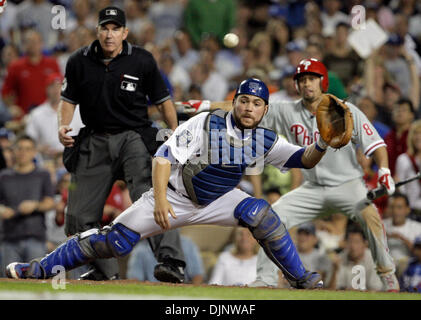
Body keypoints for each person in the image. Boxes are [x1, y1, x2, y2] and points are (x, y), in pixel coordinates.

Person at [6, 78, 328, 290]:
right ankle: (37, 270)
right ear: (235, 102)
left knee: (262, 214)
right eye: (243, 100)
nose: (249, 108)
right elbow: (163, 159)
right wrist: (160, 201)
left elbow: (303, 159)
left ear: (265, 109)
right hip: (173, 196)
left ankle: (300, 279)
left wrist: (324, 143)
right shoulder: (206, 121)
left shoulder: (264, 138)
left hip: (219, 199)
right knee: (113, 242)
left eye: (256, 104)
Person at [188, 58, 400, 291]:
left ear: (323, 82)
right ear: (297, 85)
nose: (307, 84)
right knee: (270, 216)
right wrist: (204, 105)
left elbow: (376, 144)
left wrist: (384, 169)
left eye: (312, 79)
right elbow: (242, 107)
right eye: (302, 79)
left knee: (371, 217)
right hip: (312, 188)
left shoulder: (344, 110)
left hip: (347, 185)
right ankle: (266, 279)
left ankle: (388, 275)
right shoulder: (287, 110)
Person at [54, 6, 186, 282]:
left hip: (133, 137)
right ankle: (102, 270)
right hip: (94, 137)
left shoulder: (142, 60)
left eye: (115, 28)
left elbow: (163, 101)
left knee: (152, 197)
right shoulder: (79, 60)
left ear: (125, 33)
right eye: (105, 28)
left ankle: (171, 262)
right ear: (97, 31)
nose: (110, 34)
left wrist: (174, 132)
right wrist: (62, 126)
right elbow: (67, 100)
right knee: (78, 214)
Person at [0, 135, 55, 276]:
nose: (23, 152)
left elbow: (50, 202)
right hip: (9, 238)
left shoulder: (42, 174)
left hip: (35, 237)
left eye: (27, 149)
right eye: (19, 148)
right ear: (13, 151)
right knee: (9, 282)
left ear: (34, 152)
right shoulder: (4, 176)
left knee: (36, 279)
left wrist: (35, 205)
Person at [329, 223, 383, 291]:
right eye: (350, 242)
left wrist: (351, 292)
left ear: (365, 244)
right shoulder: (340, 258)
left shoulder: (374, 260)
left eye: (357, 242)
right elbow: (331, 290)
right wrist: (335, 270)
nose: (353, 246)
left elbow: (376, 290)